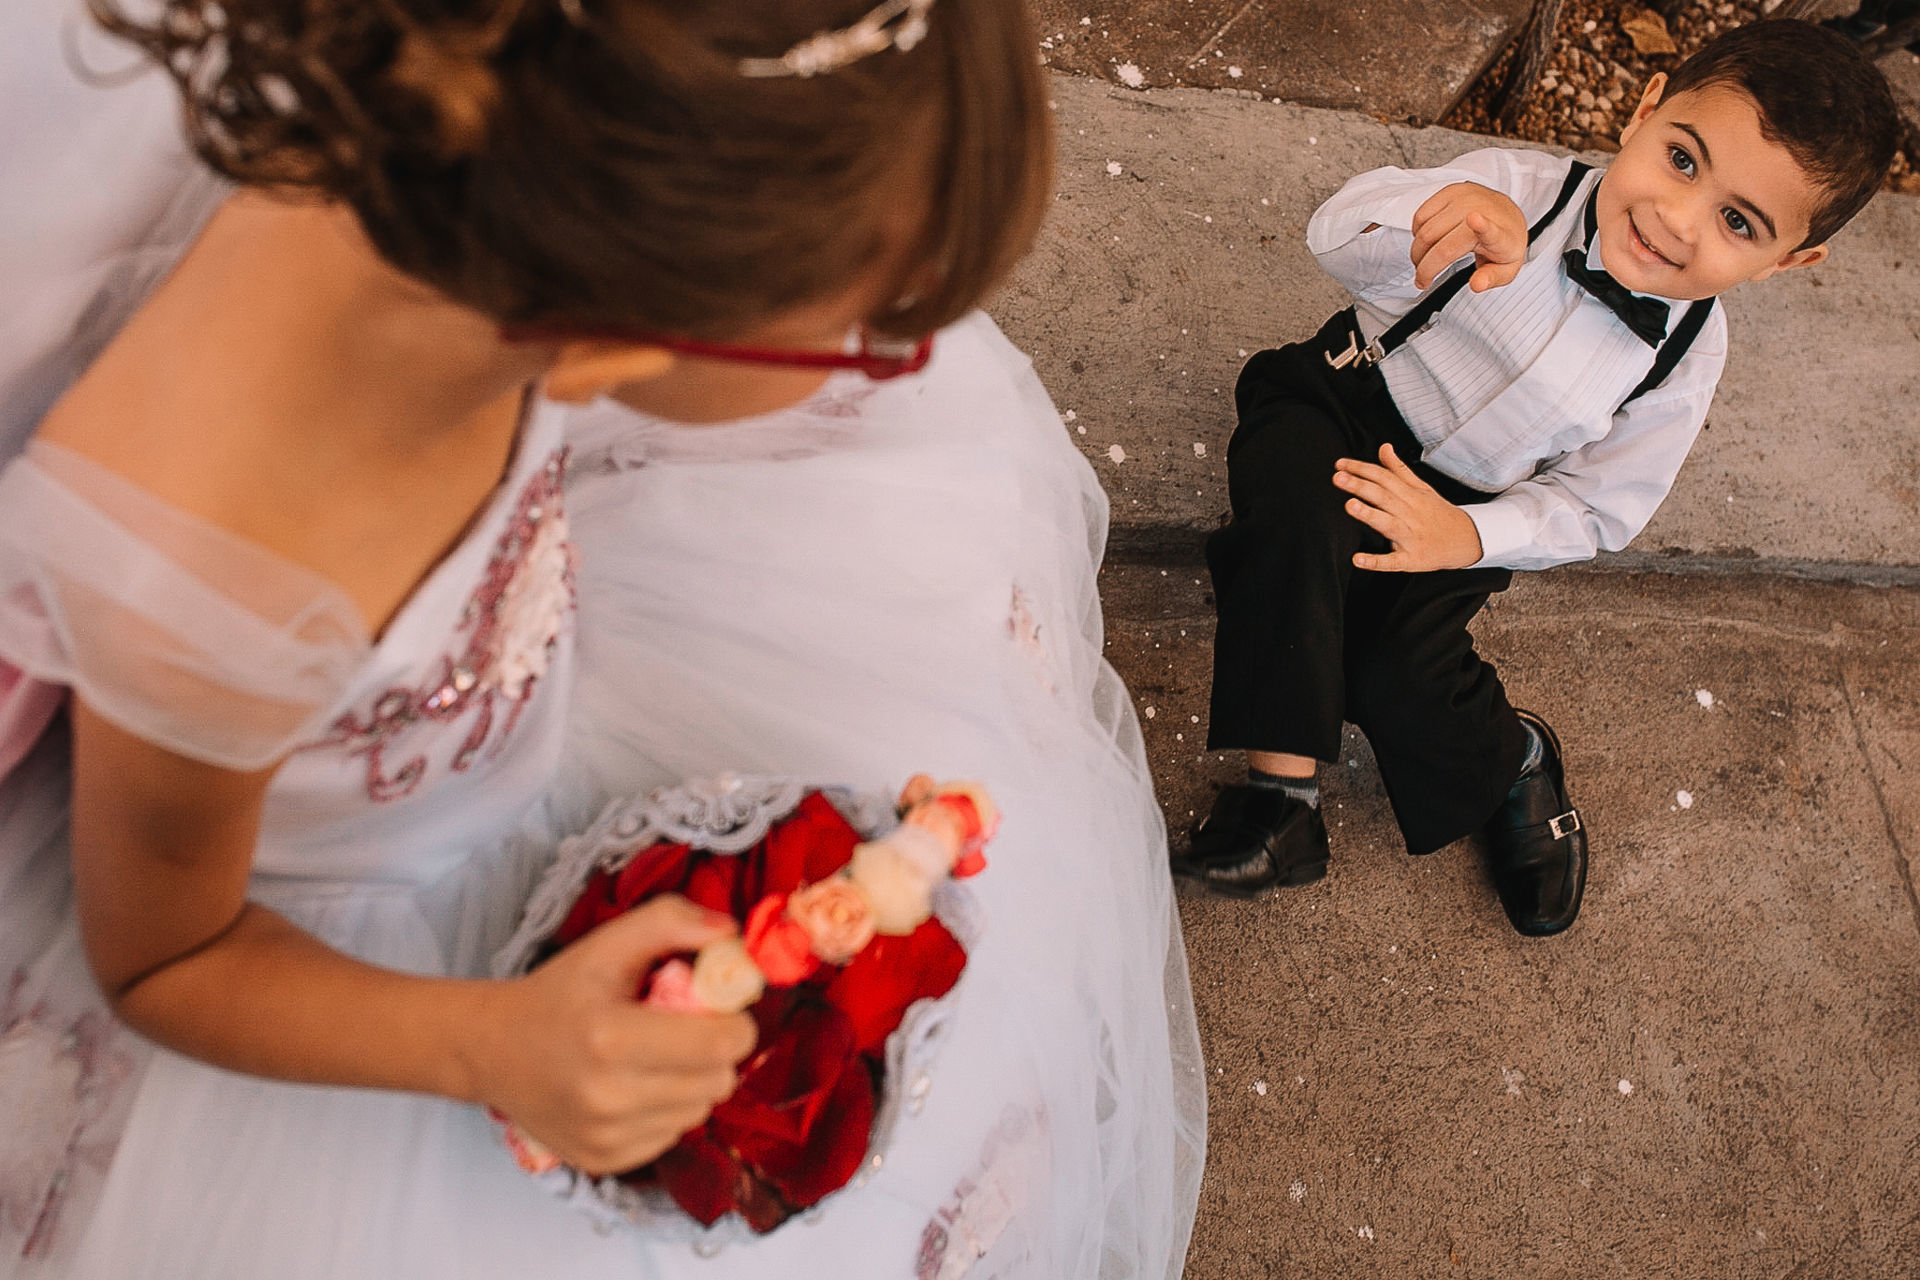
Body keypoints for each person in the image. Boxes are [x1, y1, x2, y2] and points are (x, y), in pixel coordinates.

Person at [0, 0, 1203, 1276]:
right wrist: (493, 1045)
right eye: (864, 330)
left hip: (536, 725)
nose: (888, 358)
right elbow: (169, 953)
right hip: (326, 957)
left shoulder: (486, 147)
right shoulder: (214, 564)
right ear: (617, 339)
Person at [1178, 21, 1899, 935]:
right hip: (1344, 402)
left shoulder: (1682, 365)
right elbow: (1334, 231)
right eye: (1683, 160)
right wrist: (1434, 221)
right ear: (1646, 110)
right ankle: (1283, 804)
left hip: (1464, 507)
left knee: (1396, 670)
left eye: (1737, 221)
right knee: (1290, 512)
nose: (1679, 220)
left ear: (1788, 261)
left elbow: (1598, 508)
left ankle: (1511, 756)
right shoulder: (1519, 191)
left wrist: (1469, 535)